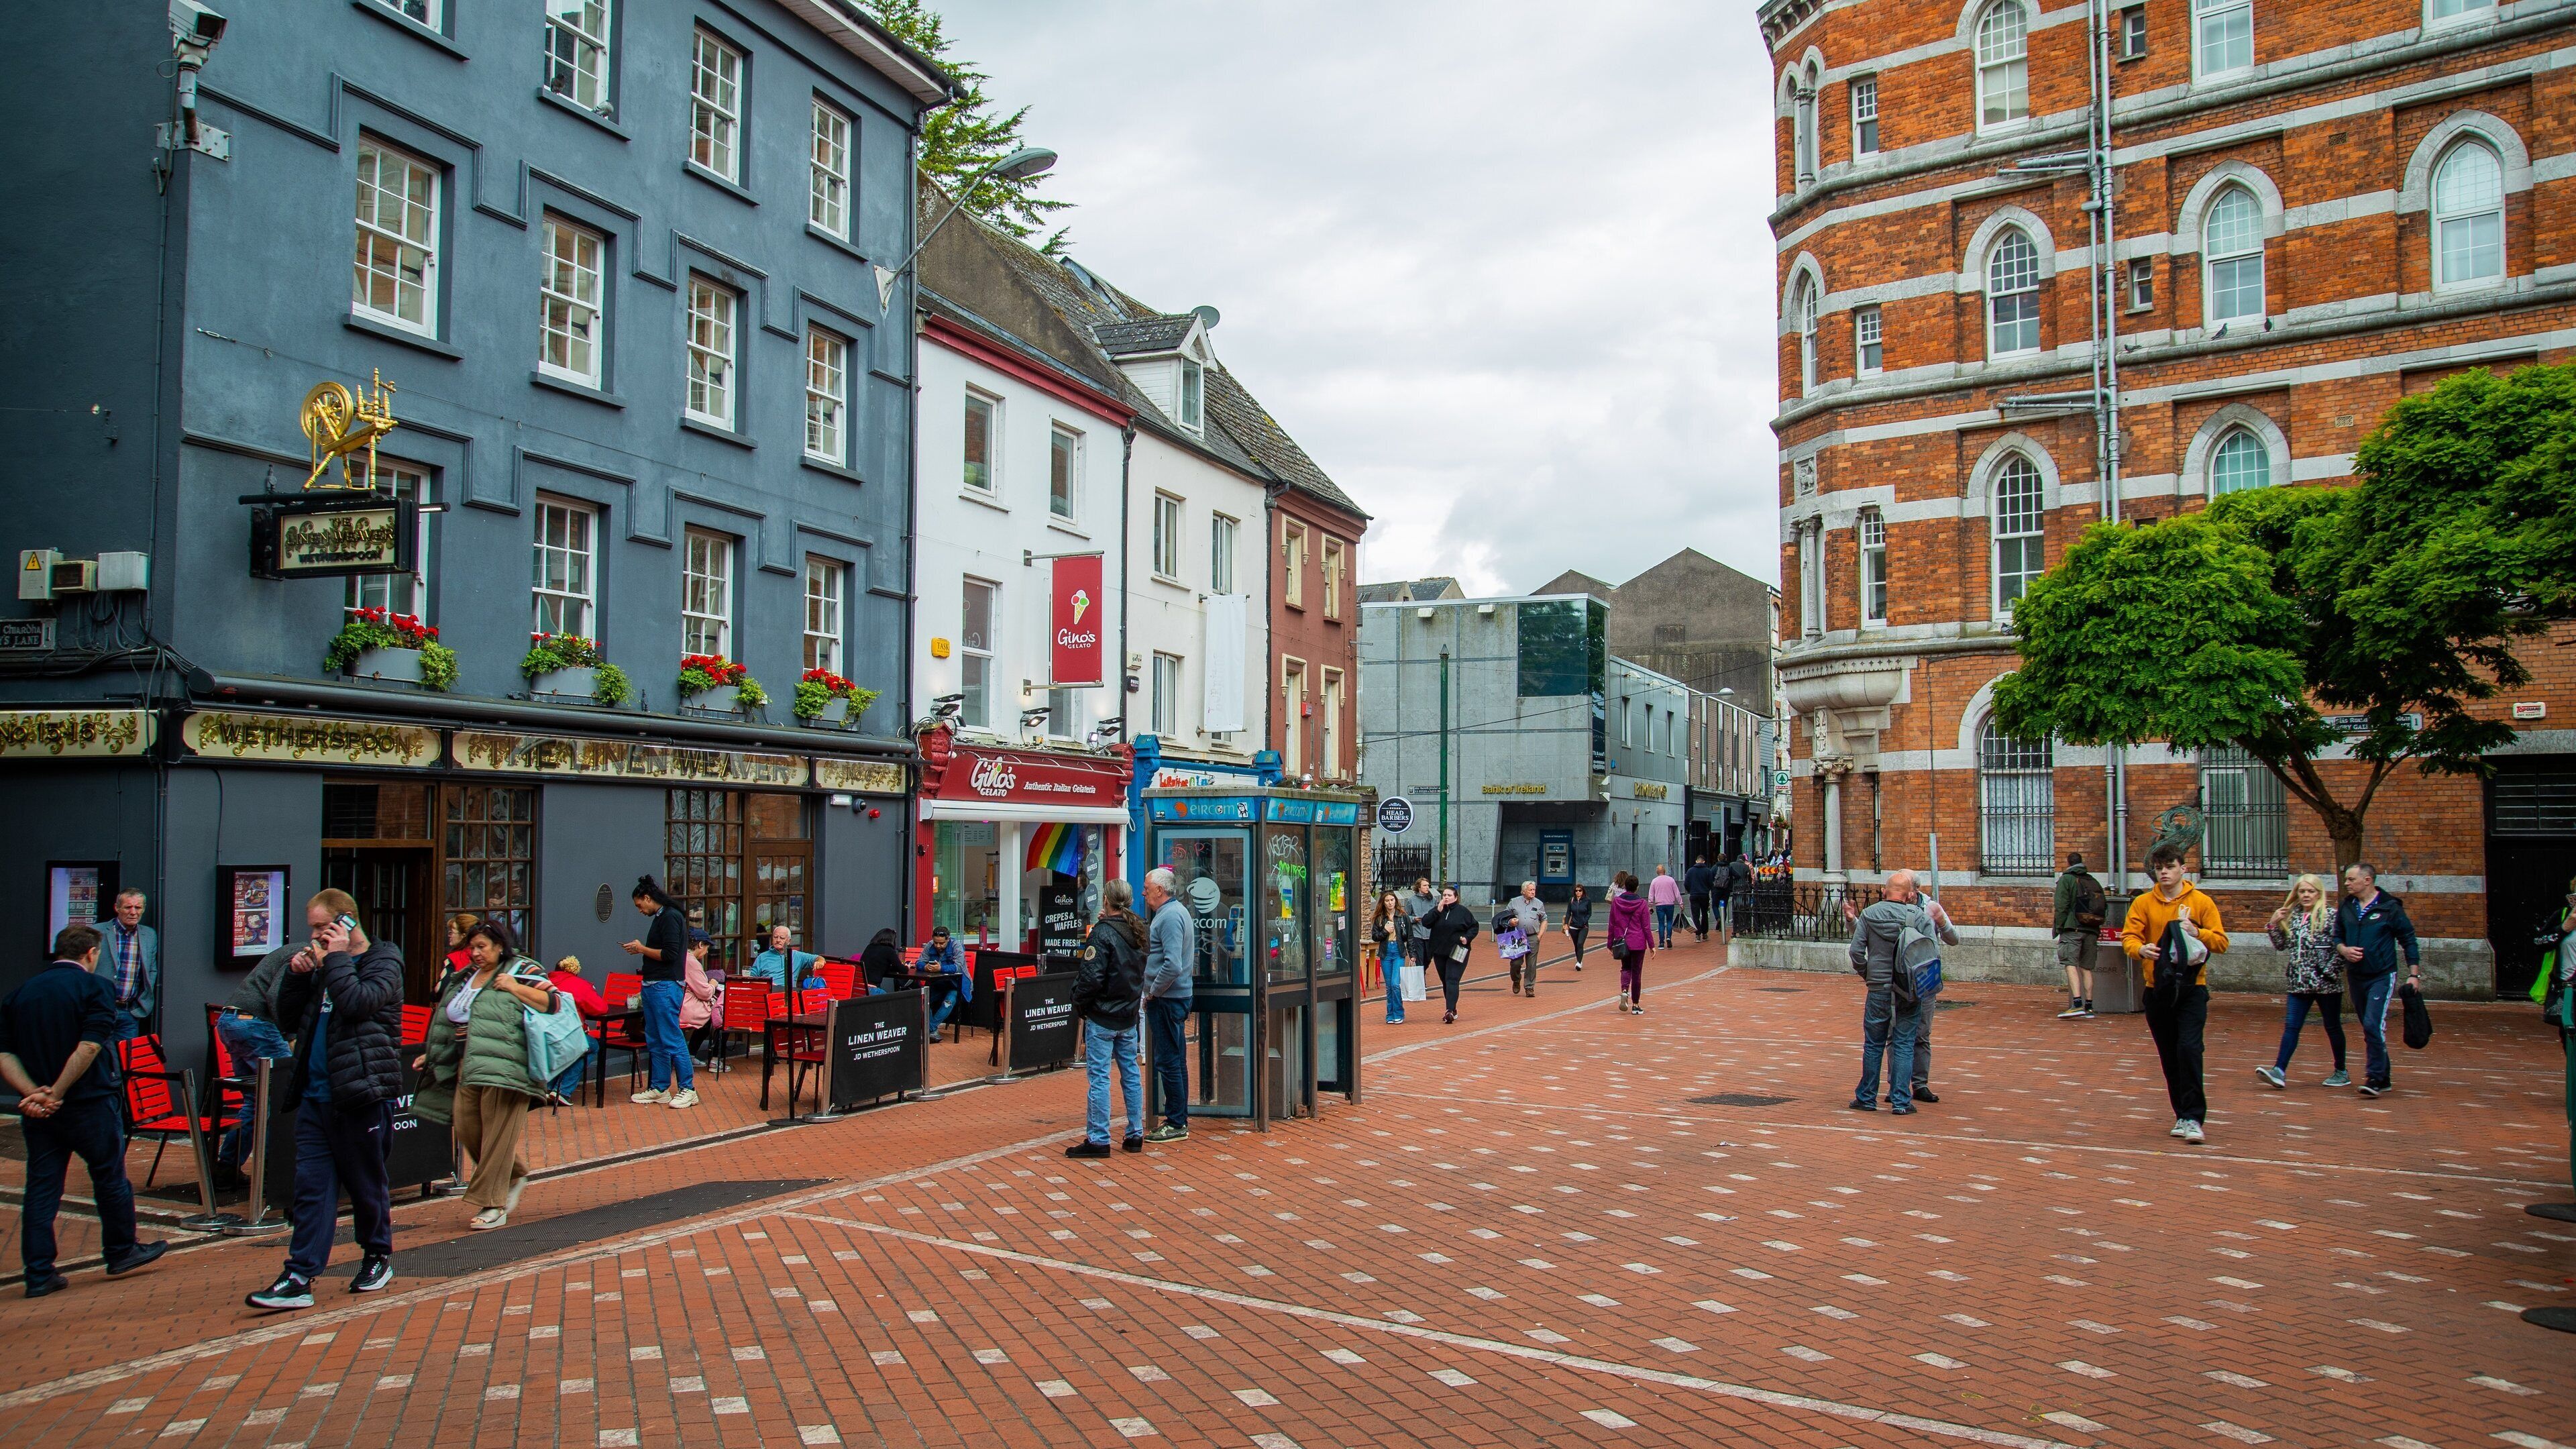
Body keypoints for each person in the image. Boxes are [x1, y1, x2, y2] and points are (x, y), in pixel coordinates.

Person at [246, 890, 404, 1312]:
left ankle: (377, 1255)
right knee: (312, 1189)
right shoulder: (323, 966)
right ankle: (300, 1275)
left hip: (362, 1092)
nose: (314, 936)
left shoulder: (384, 960)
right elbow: (285, 1019)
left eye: (321, 927)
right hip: (316, 1095)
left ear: (346, 922)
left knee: (365, 1182)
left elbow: (356, 1004)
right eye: (313, 928)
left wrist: (333, 958)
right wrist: (298, 976)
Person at [2, 924, 170, 1297]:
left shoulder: (20, 994)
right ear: (91, 954)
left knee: (42, 1186)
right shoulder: (96, 988)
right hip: (89, 1102)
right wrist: (58, 1091)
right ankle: (121, 1249)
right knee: (109, 1177)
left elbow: (4, 1052)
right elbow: (91, 1046)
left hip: (39, 1112)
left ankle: (39, 1272)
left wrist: (34, 1094)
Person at [411, 920, 557, 1229]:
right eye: (472, 947)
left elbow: (553, 1002)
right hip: (469, 1067)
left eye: (482, 947)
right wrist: (433, 1055)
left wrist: (515, 987)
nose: (476, 953)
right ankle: (514, 1175)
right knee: (466, 1127)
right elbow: (453, 1024)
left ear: (500, 946)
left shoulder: (523, 968)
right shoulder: (466, 977)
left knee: (497, 1135)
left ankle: (494, 1204)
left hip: (509, 1067)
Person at [2123, 843, 2229, 1144]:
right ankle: (2181, 1114)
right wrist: (2140, 949)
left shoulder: (2201, 902)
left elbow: (2221, 942)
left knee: (2189, 1049)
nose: (2164, 873)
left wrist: (2199, 933)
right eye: (2159, 868)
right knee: (2169, 1054)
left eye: (2170, 866)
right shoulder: (2143, 903)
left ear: (2183, 868)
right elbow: (2129, 936)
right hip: (2158, 989)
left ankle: (2195, 1116)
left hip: (2193, 989)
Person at [1845, 869, 1956, 1114]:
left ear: (1884, 892)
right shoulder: (1919, 917)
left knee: (1874, 1043)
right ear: (1910, 896)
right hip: (1909, 989)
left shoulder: (1870, 914)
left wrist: (1868, 974)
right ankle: (1901, 1101)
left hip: (1878, 988)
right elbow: (1932, 956)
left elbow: (1855, 952)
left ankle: (1866, 1097)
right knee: (1905, 1043)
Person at [1069, 878, 1148, 1158]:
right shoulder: (1139, 930)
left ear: (1106, 900)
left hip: (1103, 1014)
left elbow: (1091, 977)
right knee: (1130, 1073)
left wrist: (1079, 1000)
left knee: (1100, 1077)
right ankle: (1135, 1132)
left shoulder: (1103, 933)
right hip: (1127, 1014)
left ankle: (1099, 1137)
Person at [214, 936, 301, 1181]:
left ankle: (227, 1168)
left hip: (230, 1021)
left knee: (256, 1100)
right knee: (282, 1094)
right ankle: (274, 1175)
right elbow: (277, 996)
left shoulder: (292, 951)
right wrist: (290, 1036)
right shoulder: (305, 955)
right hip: (256, 1024)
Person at [2331, 862, 2420, 1098]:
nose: (2347, 883)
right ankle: (2385, 1076)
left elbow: (2408, 939)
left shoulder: (2390, 908)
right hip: (2356, 976)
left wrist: (2413, 974)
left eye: (2351, 879)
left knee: (2373, 1024)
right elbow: (2337, 935)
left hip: (2382, 974)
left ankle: (2375, 1078)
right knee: (2369, 1025)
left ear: (2367, 881)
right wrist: (2344, 949)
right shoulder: (2347, 907)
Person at [2259, 874, 2347, 1089]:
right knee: (2291, 1026)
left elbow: (2341, 948)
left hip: (2326, 985)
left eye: (2311, 891)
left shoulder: (2331, 916)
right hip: (2299, 983)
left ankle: (2341, 1071)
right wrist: (2273, 924)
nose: (2306, 895)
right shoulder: (2294, 916)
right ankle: (2279, 1070)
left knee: (2333, 1026)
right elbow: (2282, 945)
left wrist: (2328, 972)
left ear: (2319, 893)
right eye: (2302, 891)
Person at [619, 876, 696, 1108]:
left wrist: (641, 948)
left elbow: (670, 954)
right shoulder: (662, 916)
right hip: (653, 984)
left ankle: (688, 1088)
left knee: (671, 1037)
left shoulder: (670, 917)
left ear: (647, 898)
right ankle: (660, 1087)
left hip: (665, 984)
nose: (640, 910)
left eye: (639, 905)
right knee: (655, 1038)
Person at [1141, 867, 1194, 1143]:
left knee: (1169, 1061)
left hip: (1167, 999)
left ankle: (1176, 1122)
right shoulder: (1173, 913)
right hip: (1172, 997)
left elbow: (1173, 964)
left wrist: (1153, 991)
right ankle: (1179, 1118)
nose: (1144, 893)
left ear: (1160, 890)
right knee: (1176, 1060)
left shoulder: (1170, 917)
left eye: (1147, 888)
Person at [93, 888, 158, 1042]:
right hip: (100, 1009)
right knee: (97, 1057)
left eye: (138, 907)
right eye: (128, 907)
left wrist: (141, 1004)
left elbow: (151, 970)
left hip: (130, 1012)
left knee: (126, 1063)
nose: (133, 912)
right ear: (117, 908)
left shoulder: (149, 935)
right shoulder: (96, 932)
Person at [2052, 853, 2105, 1019]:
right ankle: (2089, 1006)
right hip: (2092, 928)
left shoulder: (2066, 879)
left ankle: (2076, 1004)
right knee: (2086, 968)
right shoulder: (2093, 881)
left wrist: (2060, 927)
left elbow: (2061, 905)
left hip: (2073, 927)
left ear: (2068, 863)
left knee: (2070, 963)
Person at [547, 956, 607, 1100]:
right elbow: (601, 1008)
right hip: (567, 1036)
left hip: (543, 1037)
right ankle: (562, 1090)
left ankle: (549, 1087)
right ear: (575, 970)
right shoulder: (579, 985)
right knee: (591, 1046)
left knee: (574, 1048)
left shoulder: (543, 982)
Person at [1422, 886, 1480, 1025]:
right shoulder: (1438, 910)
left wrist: (1467, 938)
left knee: (1452, 979)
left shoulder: (1463, 912)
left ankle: (1448, 1010)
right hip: (1439, 951)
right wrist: (1438, 910)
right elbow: (1426, 923)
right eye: (1444, 895)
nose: (1446, 897)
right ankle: (1453, 1009)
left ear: (1456, 897)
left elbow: (1474, 926)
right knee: (1445, 980)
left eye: (1449, 895)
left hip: (1458, 949)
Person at [1607, 871, 1655, 1015]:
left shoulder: (1616, 902)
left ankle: (1624, 990)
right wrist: (1652, 945)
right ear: (1637, 888)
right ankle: (1636, 1004)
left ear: (1625, 887)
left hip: (1623, 941)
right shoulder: (1642, 904)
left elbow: (1612, 923)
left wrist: (1609, 943)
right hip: (1638, 942)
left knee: (1625, 968)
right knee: (1637, 972)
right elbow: (1646, 927)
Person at [914, 925, 971, 1037]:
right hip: (938, 984)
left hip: (956, 984)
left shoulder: (956, 946)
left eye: (941, 943)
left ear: (948, 939)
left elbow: (958, 967)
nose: (938, 946)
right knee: (923, 998)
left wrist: (941, 968)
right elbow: (919, 962)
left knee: (949, 1001)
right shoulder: (930, 945)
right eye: (936, 943)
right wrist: (925, 967)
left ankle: (930, 1029)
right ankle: (932, 1031)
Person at [679, 932, 723, 1076]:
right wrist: (713, 984)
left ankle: (691, 1054)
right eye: (707, 948)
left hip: (681, 1005)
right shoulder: (691, 962)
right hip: (688, 1009)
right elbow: (704, 993)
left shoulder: (682, 958)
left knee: (712, 1017)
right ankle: (716, 1060)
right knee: (722, 1017)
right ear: (700, 945)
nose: (707, 952)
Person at [748, 923, 820, 999]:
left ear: (789, 941)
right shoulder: (762, 957)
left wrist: (819, 961)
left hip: (789, 997)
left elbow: (819, 958)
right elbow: (751, 978)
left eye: (782, 938)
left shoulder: (797, 956)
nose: (778, 940)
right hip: (768, 995)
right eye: (775, 937)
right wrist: (766, 984)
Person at [1504, 881, 1548, 998]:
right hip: (1517, 937)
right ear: (1523, 891)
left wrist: (1540, 936)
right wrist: (1510, 921)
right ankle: (1516, 979)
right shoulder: (1514, 902)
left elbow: (1544, 919)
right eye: (1530, 890)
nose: (1533, 892)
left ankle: (1529, 987)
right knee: (1516, 963)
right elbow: (1504, 917)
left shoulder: (1539, 904)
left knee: (1532, 964)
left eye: (1534, 890)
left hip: (1533, 936)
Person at [1371, 891, 1408, 1026]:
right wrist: (1385, 931)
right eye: (1387, 901)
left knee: (1395, 984)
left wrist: (1414, 954)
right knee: (1388, 987)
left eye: (1392, 900)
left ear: (1395, 901)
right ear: (1383, 903)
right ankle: (1390, 1014)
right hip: (1386, 952)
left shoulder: (1402, 916)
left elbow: (1409, 937)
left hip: (1398, 951)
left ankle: (1399, 1013)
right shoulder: (1380, 918)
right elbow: (1375, 937)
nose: (1390, 903)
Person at [1404, 875, 1440, 998]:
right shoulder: (1411, 900)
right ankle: (1421, 982)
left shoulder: (1433, 900)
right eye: (1425, 885)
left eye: (1428, 885)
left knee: (1428, 958)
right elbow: (1406, 916)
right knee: (1419, 958)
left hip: (1430, 934)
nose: (1427, 887)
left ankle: (1422, 973)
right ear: (1419, 887)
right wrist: (1414, 919)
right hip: (1417, 933)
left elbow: (1437, 914)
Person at [1646, 864, 1683, 950]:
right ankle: (1669, 937)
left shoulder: (1654, 881)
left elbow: (1651, 895)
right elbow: (1677, 893)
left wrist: (1650, 905)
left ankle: (1661, 943)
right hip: (1670, 903)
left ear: (1657, 872)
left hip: (1659, 904)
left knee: (1661, 923)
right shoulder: (1671, 880)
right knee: (1670, 921)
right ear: (1665, 871)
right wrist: (1681, 903)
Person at [858, 928, 906, 995]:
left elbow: (877, 966)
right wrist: (907, 967)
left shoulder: (870, 947)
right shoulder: (889, 950)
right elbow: (902, 969)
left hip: (859, 987)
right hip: (872, 989)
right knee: (889, 1001)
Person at [1682, 856, 1718, 943]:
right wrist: (1708, 890)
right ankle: (1705, 933)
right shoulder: (1707, 871)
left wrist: (1691, 891)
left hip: (1694, 895)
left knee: (1695, 915)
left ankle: (1698, 934)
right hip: (1704, 895)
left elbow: (1686, 883)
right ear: (1704, 861)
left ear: (1696, 861)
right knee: (1705, 914)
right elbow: (1711, 884)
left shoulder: (1690, 871)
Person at [1564, 883, 1593, 971]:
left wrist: (1585, 921)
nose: (1578, 892)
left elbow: (1589, 913)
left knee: (1580, 944)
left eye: (1580, 890)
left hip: (1584, 926)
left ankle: (1579, 963)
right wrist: (1566, 924)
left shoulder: (1587, 900)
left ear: (1583, 891)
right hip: (1573, 926)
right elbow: (1568, 913)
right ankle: (1579, 960)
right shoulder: (1572, 900)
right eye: (1576, 891)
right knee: (1576, 945)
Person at [443, 912, 478, 981]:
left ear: (463, 935)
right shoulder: (483, 955)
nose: (449, 935)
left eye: (452, 932)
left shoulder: (453, 958)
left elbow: (441, 989)